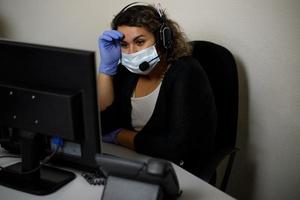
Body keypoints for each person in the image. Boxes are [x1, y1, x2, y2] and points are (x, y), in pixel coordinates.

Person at [97, 2, 217, 177]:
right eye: (124, 45)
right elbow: (103, 123)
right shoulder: (127, 71)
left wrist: (119, 136)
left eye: (139, 42)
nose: (131, 52)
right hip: (134, 160)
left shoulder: (186, 72)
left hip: (179, 171)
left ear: (163, 40)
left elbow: (175, 148)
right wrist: (106, 70)